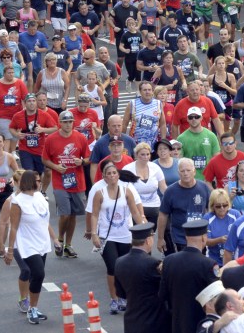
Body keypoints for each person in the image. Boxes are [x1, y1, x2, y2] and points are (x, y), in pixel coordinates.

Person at [88, 159, 146, 314]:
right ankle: (114, 299)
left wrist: (143, 231)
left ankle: (124, 297)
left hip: (125, 235)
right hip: (107, 236)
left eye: (114, 173)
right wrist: (93, 233)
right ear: (104, 177)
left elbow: (135, 212)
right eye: (109, 174)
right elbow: (94, 215)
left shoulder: (126, 190)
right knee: (113, 267)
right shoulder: (99, 193)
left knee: (124, 268)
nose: (112, 176)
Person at [4, 170, 55, 324]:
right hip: (27, 244)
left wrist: (55, 239)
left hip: (42, 242)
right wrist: (10, 250)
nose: (40, 183)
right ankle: (31, 309)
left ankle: (34, 307)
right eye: (38, 180)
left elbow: (44, 221)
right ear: (29, 182)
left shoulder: (40, 197)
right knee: (39, 273)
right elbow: (13, 227)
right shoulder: (18, 202)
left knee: (37, 277)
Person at [42, 110, 91, 259]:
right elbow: (45, 159)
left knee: (73, 214)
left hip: (77, 181)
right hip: (60, 182)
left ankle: (68, 245)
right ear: (60, 123)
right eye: (65, 122)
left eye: (70, 122)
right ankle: (60, 239)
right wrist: (56, 167)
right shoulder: (51, 139)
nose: (68, 124)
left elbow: (88, 158)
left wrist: (81, 161)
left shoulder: (80, 137)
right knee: (65, 214)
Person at [159, 219, 219, 333]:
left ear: (186, 238)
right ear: (203, 238)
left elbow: (162, 295)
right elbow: (215, 298)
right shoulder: (209, 264)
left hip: (176, 322)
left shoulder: (169, 261)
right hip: (200, 323)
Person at [114, 222, 170, 331]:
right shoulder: (153, 263)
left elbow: (120, 293)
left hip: (131, 320)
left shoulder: (119, 262)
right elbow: (165, 290)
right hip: (153, 320)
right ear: (148, 240)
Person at [158, 158, 212, 253]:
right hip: (180, 238)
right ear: (178, 173)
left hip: (201, 236)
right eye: (182, 171)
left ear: (194, 171)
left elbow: (210, 209)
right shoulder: (170, 191)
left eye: (188, 170)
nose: (185, 173)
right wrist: (160, 238)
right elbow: (163, 215)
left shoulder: (203, 187)